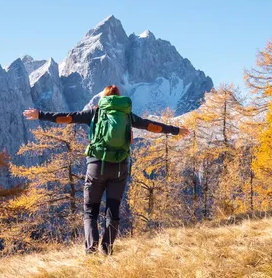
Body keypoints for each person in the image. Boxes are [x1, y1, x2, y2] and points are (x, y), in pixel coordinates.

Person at [23, 85, 188, 255]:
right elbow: (152, 126)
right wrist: (176, 130)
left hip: (96, 167)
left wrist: (40, 115)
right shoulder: (127, 115)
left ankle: (91, 251)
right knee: (113, 211)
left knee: (90, 211)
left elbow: (67, 118)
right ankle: (106, 249)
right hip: (119, 168)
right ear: (119, 98)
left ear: (104, 97)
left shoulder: (95, 112)